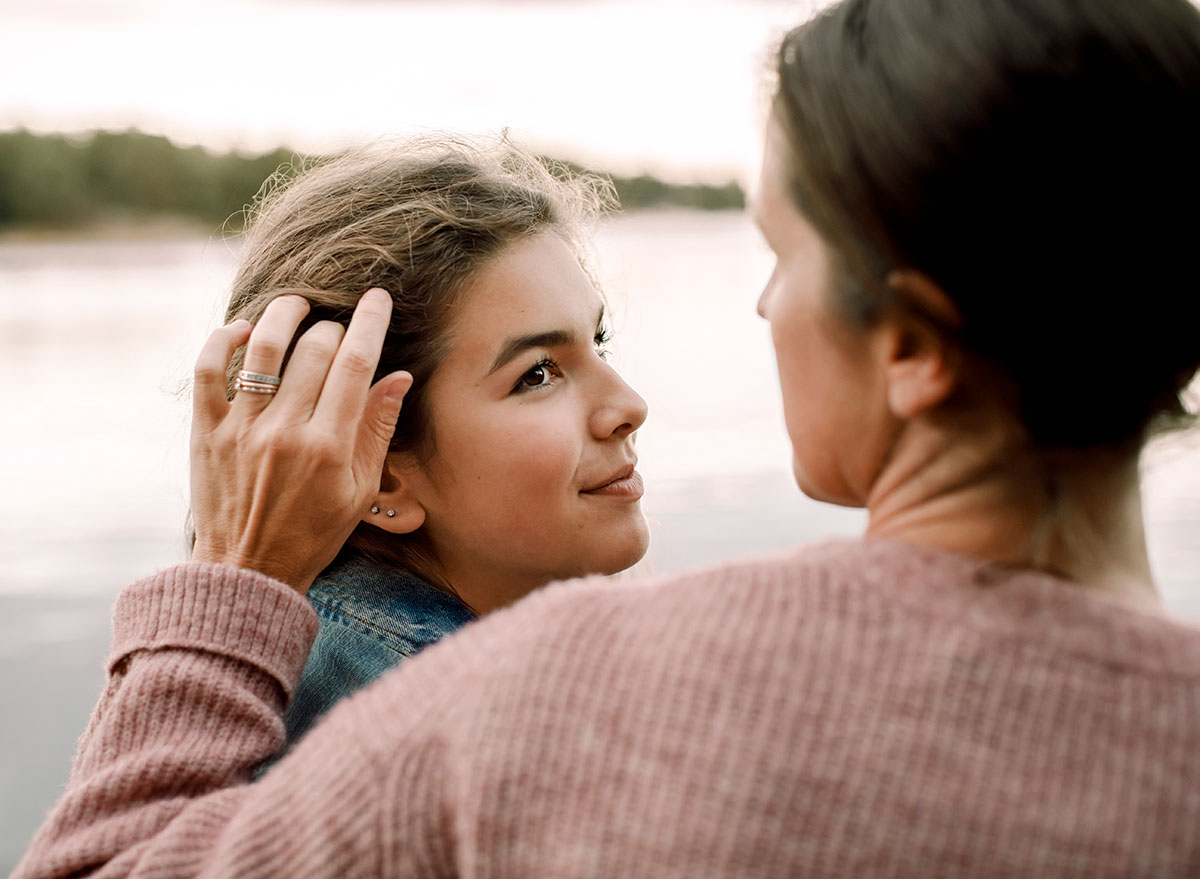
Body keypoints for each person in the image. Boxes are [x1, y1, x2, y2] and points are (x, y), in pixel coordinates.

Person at [15, 0, 1200, 875]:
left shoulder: (565, 698)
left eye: (782, 252)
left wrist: (228, 583)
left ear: (914, 347)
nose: (761, 305)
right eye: (540, 369)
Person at [208, 138, 651, 752]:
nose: (629, 407)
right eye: (538, 373)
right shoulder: (449, 729)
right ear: (382, 474)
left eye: (597, 342)